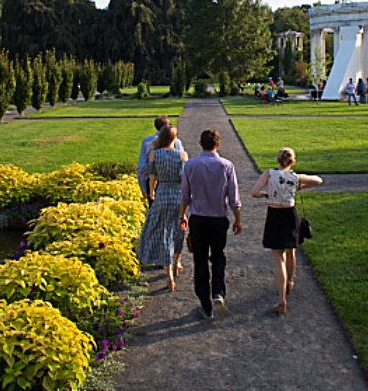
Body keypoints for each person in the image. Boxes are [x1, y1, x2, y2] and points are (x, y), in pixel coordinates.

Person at [178, 129, 242, 319]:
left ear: (200, 143)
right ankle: (218, 292)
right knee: (218, 256)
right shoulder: (227, 165)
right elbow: (233, 197)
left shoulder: (190, 165)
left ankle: (205, 304)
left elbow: (184, 195)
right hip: (218, 219)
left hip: (198, 218)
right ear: (218, 145)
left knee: (200, 259)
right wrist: (238, 219)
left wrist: (182, 216)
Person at [250, 148, 322, 314]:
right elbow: (318, 180)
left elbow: (254, 193)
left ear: (277, 160)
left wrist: (265, 194)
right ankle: (290, 281)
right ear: (292, 162)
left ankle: (282, 299)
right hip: (291, 214)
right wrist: (299, 186)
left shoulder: (269, 174)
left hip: (275, 215)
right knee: (291, 251)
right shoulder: (295, 177)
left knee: (278, 259)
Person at [137, 125, 189, 291]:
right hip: (178, 196)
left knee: (163, 233)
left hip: (162, 195)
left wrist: (151, 192)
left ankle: (169, 275)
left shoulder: (155, 154)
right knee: (179, 230)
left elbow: (152, 178)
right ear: (175, 138)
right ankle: (177, 262)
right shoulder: (182, 155)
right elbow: (187, 179)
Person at [137, 116, 184, 205]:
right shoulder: (176, 142)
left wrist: (143, 188)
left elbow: (142, 166)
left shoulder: (147, 142)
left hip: (154, 183)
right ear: (167, 125)